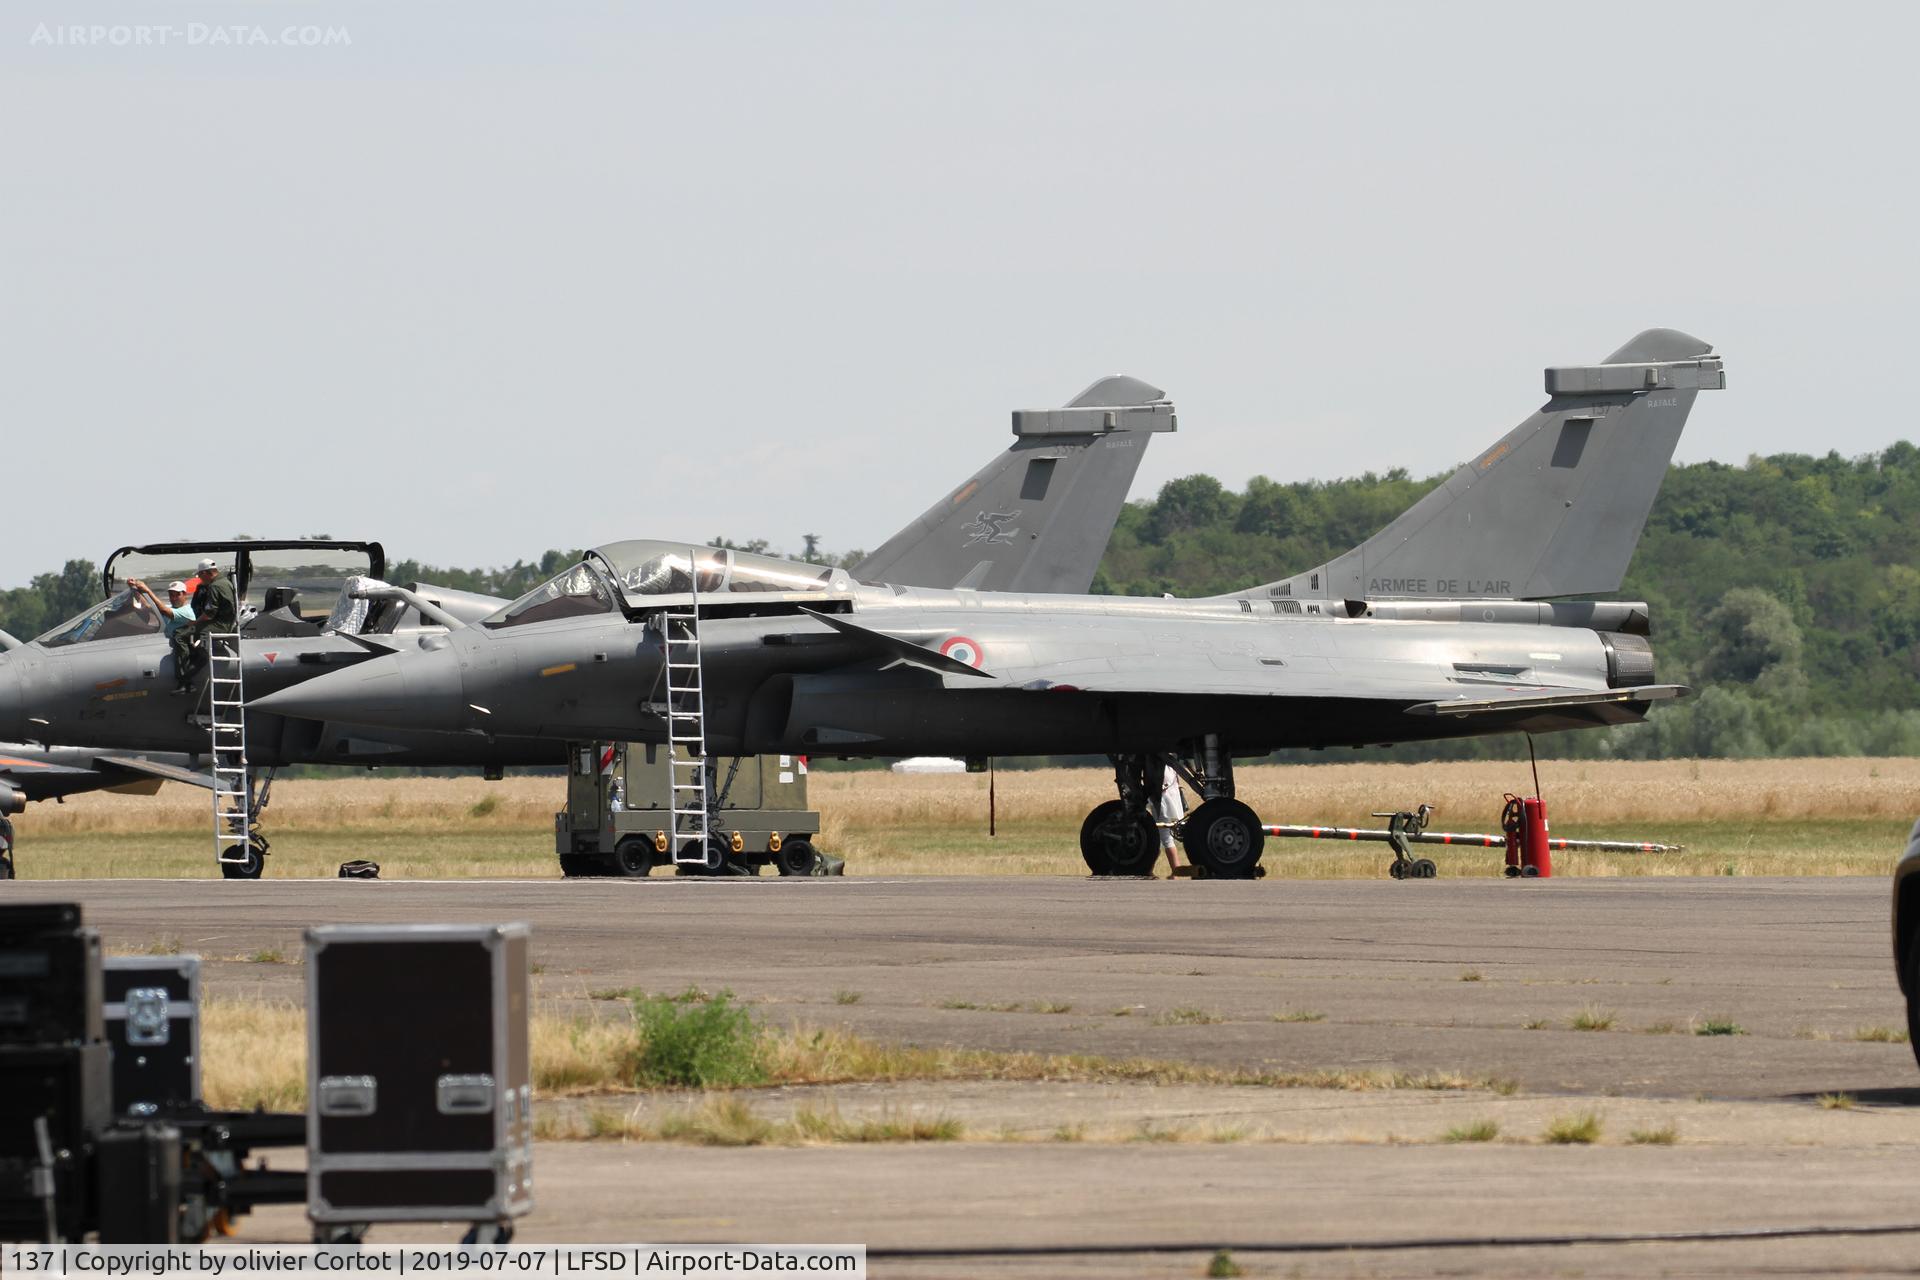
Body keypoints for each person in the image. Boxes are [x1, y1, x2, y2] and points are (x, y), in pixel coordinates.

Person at [127, 578, 197, 692]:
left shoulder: (187, 611)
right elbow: (148, 608)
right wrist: (135, 590)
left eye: (177, 595)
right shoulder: (173, 609)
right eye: (171, 595)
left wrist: (148, 590)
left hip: (179, 650)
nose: (174, 598)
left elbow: (164, 610)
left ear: (184, 594)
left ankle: (185, 683)